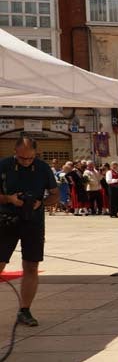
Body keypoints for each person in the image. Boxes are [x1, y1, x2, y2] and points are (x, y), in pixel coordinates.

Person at [0, 135, 58, 326]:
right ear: (15, 152)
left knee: (31, 265)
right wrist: (9, 199)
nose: (26, 162)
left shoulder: (42, 168)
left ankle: (25, 310)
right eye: (22, 158)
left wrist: (41, 202)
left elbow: (54, 195)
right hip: (6, 219)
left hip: (33, 221)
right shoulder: (4, 165)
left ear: (35, 154)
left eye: (30, 158)